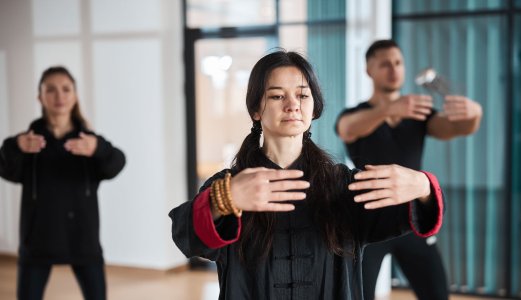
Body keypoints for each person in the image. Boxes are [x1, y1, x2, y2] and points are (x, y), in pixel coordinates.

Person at [169, 50, 445, 299]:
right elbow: (186, 235)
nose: (292, 105)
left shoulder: (344, 186)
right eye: (277, 96)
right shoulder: (230, 186)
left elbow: (407, 214)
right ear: (255, 110)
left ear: (314, 107)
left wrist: (424, 187)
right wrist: (225, 199)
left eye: (302, 95)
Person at [336, 40, 483, 300]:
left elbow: (456, 128)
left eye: (398, 63)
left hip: (412, 217)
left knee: (437, 294)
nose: (393, 69)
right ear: (369, 70)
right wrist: (388, 109)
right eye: (385, 64)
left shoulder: (417, 114)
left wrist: (474, 115)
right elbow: (346, 128)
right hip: (368, 221)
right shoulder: (356, 114)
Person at [0, 66, 126, 300]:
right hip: (37, 241)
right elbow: (5, 168)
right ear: (40, 96)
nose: (59, 96)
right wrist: (15, 146)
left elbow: (116, 163)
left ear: (75, 95)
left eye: (66, 89)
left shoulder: (87, 141)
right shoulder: (29, 141)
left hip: (83, 240)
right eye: (51, 90)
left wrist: (98, 149)